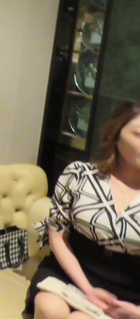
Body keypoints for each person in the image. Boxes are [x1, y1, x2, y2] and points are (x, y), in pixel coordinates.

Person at [25, 101, 140, 319]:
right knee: (50, 309)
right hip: (71, 272)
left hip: (128, 294)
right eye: (138, 134)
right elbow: (57, 235)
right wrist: (87, 289)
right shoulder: (79, 174)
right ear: (115, 135)